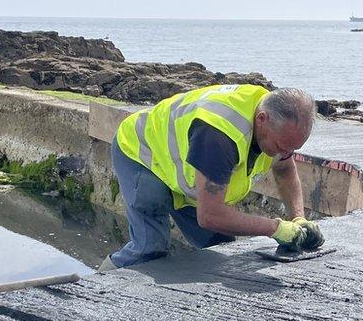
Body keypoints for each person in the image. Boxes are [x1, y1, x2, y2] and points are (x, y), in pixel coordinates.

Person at [101, 84, 323, 270]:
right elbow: (210, 216)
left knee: (219, 245)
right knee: (149, 249)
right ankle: (93, 289)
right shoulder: (218, 137)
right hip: (143, 153)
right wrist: (275, 228)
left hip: (182, 170)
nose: (284, 155)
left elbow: (284, 170)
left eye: (291, 150)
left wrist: (298, 218)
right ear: (262, 119)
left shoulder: (273, 116)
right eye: (280, 146)